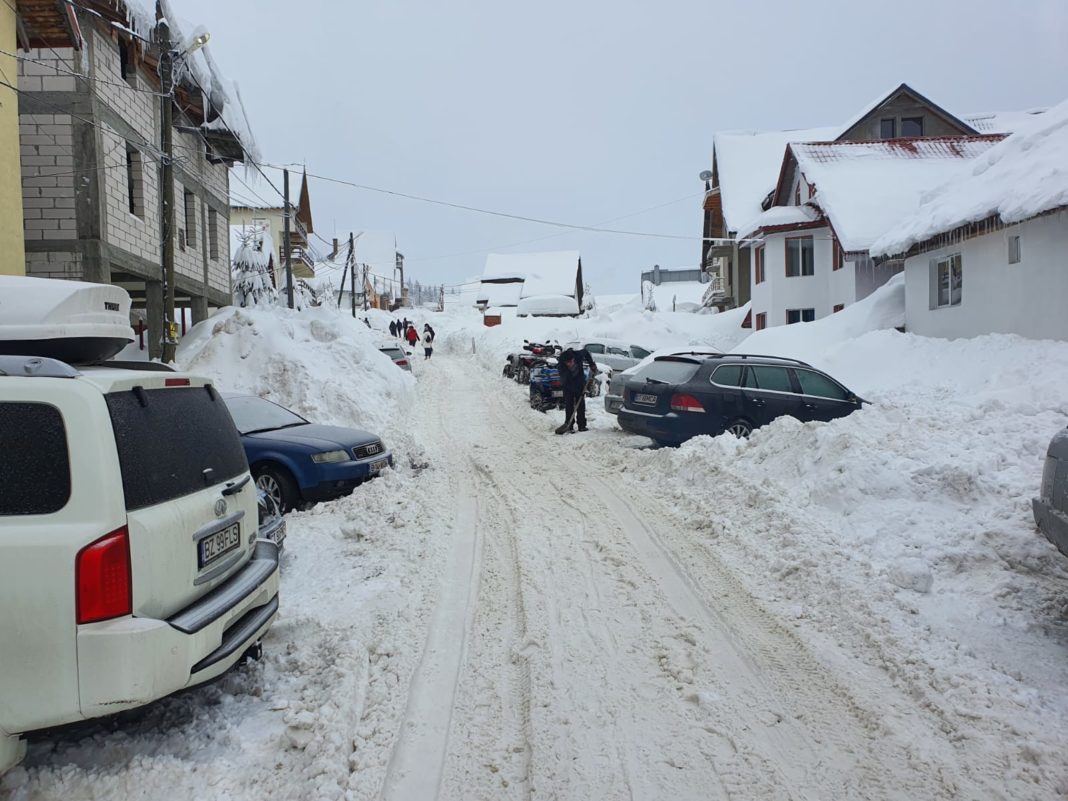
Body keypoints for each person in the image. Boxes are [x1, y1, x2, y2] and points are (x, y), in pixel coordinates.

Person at [556, 346, 597, 433]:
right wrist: (571, 389)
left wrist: (591, 364)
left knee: (581, 404)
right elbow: (564, 380)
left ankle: (582, 425)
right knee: (569, 405)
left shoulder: (578, 355)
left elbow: (586, 352)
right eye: (568, 363)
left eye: (571, 361)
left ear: (573, 359)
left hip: (579, 381)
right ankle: (569, 425)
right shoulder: (561, 366)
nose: (570, 364)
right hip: (568, 384)